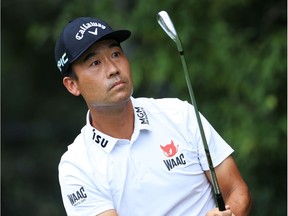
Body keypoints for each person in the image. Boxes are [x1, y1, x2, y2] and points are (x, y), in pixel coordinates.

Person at [54, 16, 252, 216]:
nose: (113, 69)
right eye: (95, 62)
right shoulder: (76, 166)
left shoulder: (179, 115)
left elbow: (237, 192)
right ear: (72, 85)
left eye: (116, 54)